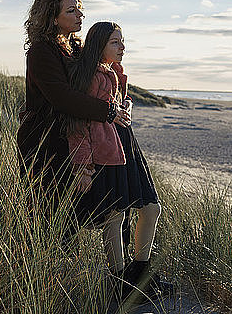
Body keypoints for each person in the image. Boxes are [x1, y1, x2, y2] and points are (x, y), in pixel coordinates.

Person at [65, 21, 165, 300]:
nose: (122, 47)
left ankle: (139, 274)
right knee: (114, 216)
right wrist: (83, 166)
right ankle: (118, 284)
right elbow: (77, 126)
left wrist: (127, 102)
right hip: (105, 151)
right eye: (115, 42)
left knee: (151, 208)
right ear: (99, 45)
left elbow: (120, 100)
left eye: (123, 42)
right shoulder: (90, 77)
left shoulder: (113, 73)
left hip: (126, 145)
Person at [16, 0, 131, 218]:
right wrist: (108, 111)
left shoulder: (76, 47)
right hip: (44, 144)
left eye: (79, 9)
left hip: (73, 139)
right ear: (53, 17)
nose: (80, 15)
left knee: (79, 217)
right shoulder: (41, 51)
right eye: (71, 11)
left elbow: (104, 77)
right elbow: (62, 97)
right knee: (47, 216)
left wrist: (124, 101)